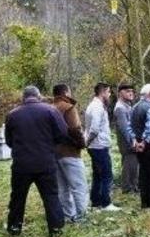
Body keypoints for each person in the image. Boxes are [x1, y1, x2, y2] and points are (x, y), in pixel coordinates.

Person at [5, 86, 67, 237]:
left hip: (22, 165)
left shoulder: (12, 115)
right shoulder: (51, 111)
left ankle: (14, 228)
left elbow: (8, 140)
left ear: (23, 97)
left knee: (18, 198)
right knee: (51, 196)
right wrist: (50, 144)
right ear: (38, 96)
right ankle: (56, 229)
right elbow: (63, 133)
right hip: (45, 162)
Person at [51, 84, 88, 223]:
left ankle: (68, 215)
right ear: (66, 93)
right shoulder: (68, 107)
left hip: (55, 153)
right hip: (70, 152)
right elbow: (75, 129)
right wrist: (82, 143)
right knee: (79, 186)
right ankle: (82, 216)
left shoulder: (49, 108)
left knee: (62, 188)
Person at [84, 82, 120, 211]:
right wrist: (87, 142)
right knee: (106, 175)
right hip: (99, 146)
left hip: (95, 145)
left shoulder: (92, 106)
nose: (109, 95)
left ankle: (96, 202)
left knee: (97, 175)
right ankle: (106, 203)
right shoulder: (97, 107)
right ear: (102, 92)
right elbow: (94, 129)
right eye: (108, 92)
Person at [113, 83, 139, 194]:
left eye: (132, 91)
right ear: (120, 93)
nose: (131, 93)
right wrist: (132, 141)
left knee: (132, 164)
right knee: (129, 165)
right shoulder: (120, 107)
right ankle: (128, 188)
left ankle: (132, 187)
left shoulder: (126, 105)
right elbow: (124, 128)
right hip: (126, 141)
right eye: (128, 91)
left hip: (130, 140)